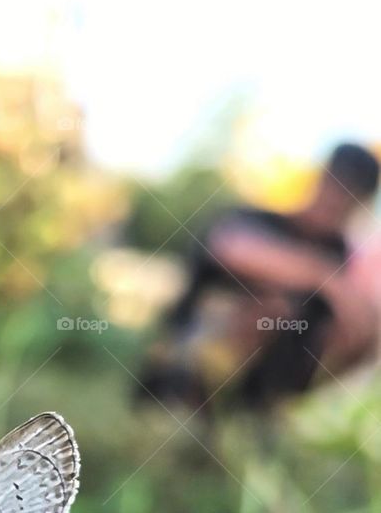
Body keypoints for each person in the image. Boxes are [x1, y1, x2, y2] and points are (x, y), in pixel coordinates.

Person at [139, 142, 380, 410]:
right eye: (335, 189)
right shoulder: (253, 219)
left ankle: (267, 408)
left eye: (348, 199)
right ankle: (185, 400)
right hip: (184, 356)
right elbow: (230, 248)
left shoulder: (337, 252)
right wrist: (323, 277)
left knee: (367, 327)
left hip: (266, 379)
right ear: (321, 180)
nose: (335, 204)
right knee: (272, 309)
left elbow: (355, 321)